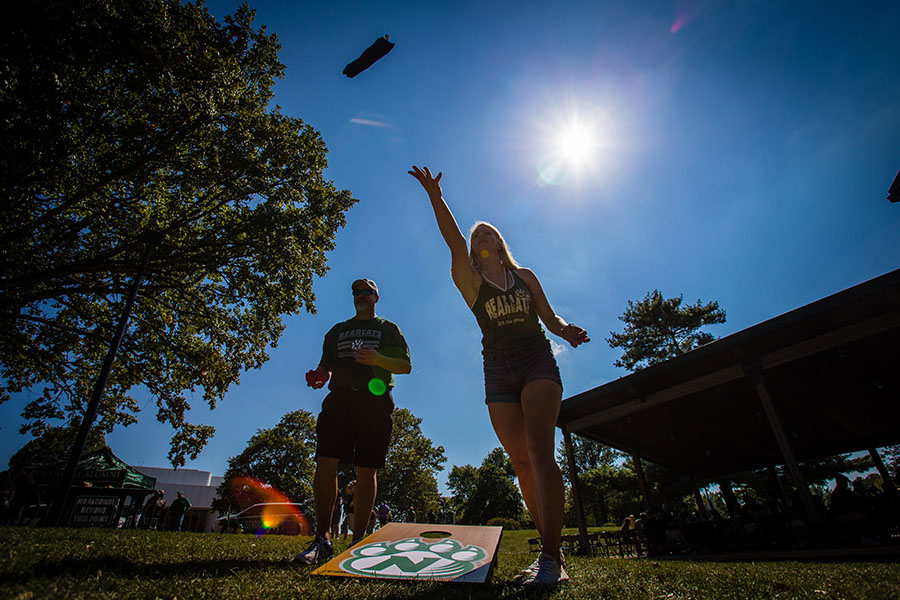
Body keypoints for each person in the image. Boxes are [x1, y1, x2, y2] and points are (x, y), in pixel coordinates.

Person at [409, 166, 589, 588]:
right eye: (477, 236)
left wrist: (565, 329)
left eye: (488, 232)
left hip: (537, 362)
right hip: (497, 371)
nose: (481, 237)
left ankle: (548, 557)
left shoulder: (524, 276)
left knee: (540, 450)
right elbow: (451, 238)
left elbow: (549, 316)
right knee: (522, 464)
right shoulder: (469, 280)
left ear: (500, 241)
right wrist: (437, 197)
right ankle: (554, 553)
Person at [295, 278, 411, 565]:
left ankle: (358, 541)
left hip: (375, 401)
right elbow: (327, 365)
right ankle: (322, 539)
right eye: (356, 292)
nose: (360, 295)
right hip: (339, 401)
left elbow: (405, 366)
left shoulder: (388, 329)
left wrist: (377, 358)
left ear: (376, 297)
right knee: (325, 462)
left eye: (366, 291)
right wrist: (320, 375)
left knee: (366, 470)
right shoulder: (337, 331)